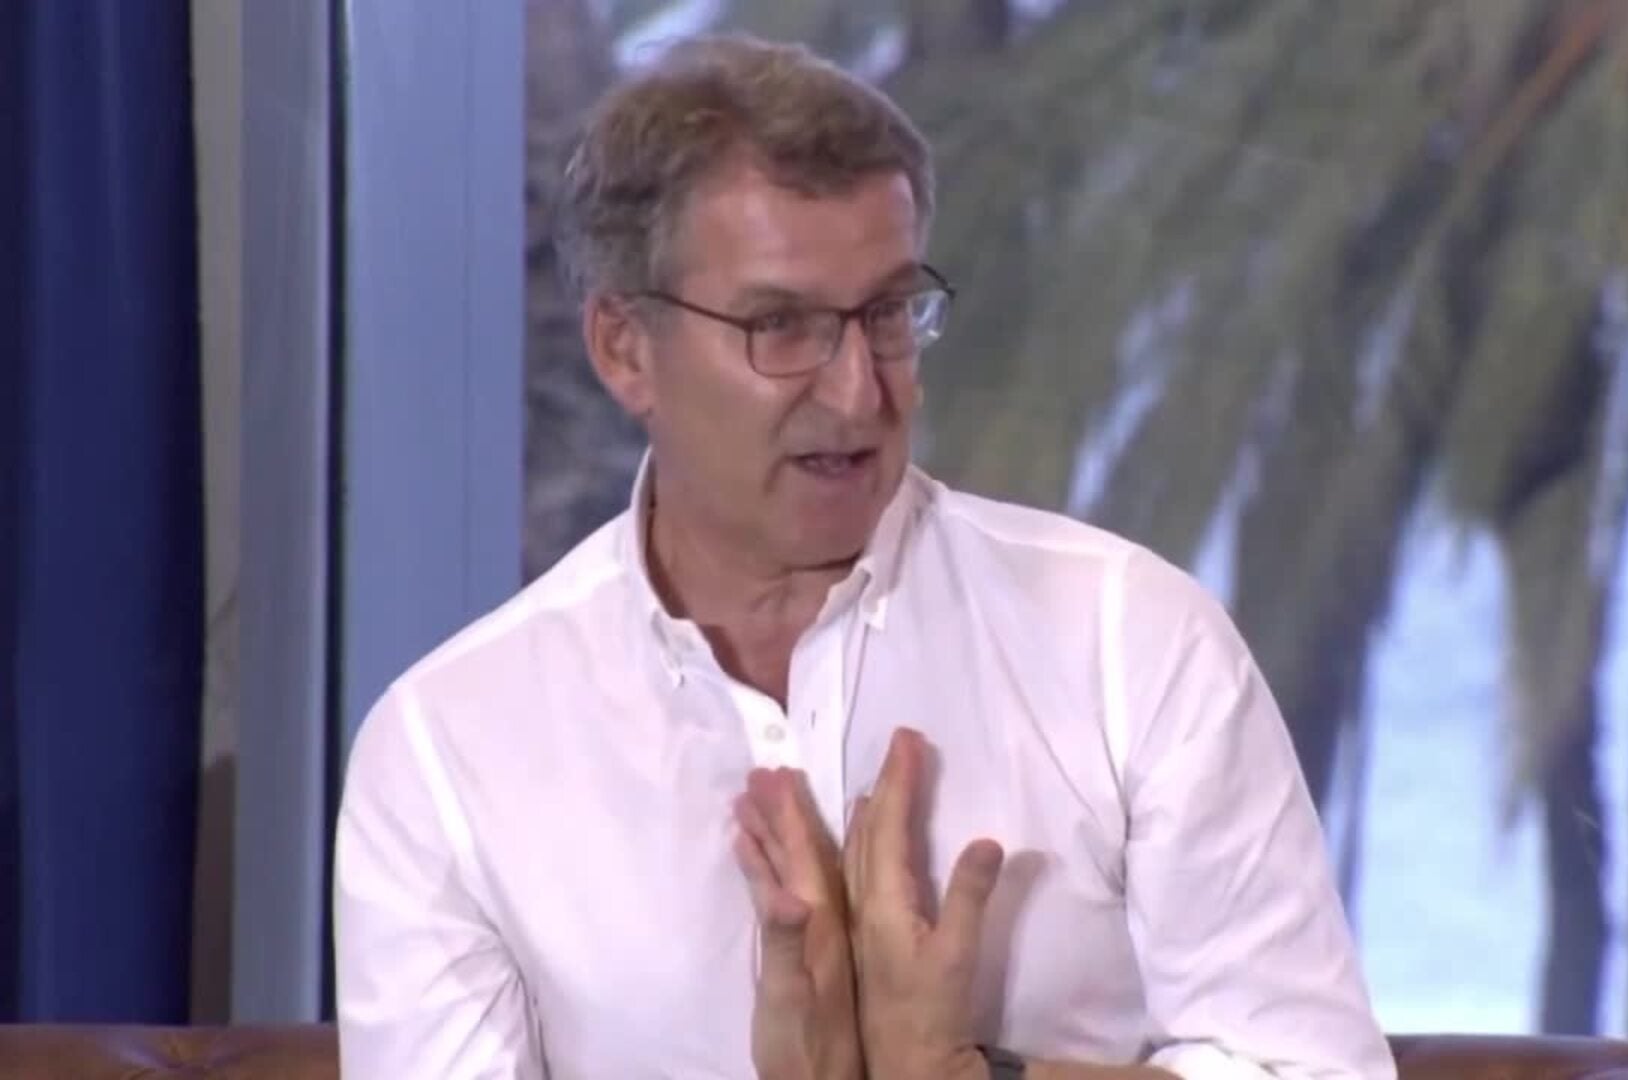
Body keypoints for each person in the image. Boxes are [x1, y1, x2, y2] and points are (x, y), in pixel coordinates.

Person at [332, 30, 1397, 1080]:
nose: (857, 392)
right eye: (780, 326)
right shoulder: (445, 752)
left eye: (887, 313)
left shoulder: (1132, 641)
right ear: (625, 347)